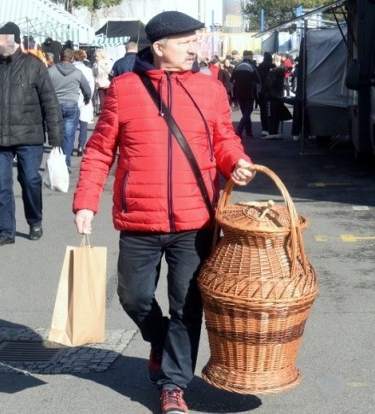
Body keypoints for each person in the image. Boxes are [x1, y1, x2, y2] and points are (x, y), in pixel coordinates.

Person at [72, 11, 255, 414]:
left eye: (195, 41)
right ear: (159, 48)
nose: (194, 48)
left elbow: (223, 139)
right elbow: (101, 150)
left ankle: (174, 385)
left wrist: (236, 161)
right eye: (186, 42)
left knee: (187, 306)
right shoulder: (124, 89)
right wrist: (86, 201)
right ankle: (159, 339)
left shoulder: (210, 90)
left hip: (196, 220)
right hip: (139, 218)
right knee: (133, 297)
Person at [0, 22, 63, 246]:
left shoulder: (34, 65)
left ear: (16, 40)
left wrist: (56, 138)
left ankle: (34, 221)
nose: (0, 45)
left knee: (30, 180)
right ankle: (5, 231)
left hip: (29, 136)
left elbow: (50, 101)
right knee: (1, 184)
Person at [48, 48, 92, 169]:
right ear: (72, 59)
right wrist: (87, 98)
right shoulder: (78, 73)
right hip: (71, 104)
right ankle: (66, 162)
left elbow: (44, 88)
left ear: (60, 57)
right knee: (69, 135)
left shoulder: (51, 71)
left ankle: (56, 159)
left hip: (54, 105)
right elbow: (87, 89)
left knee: (56, 133)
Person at [231, 50, 261, 138]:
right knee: (248, 111)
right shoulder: (252, 67)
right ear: (249, 56)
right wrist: (258, 94)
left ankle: (249, 131)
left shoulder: (237, 66)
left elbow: (232, 80)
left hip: (239, 92)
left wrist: (233, 94)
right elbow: (258, 81)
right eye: (251, 56)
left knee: (245, 112)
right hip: (249, 92)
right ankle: (239, 129)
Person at [73, 49, 95, 156]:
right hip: (84, 99)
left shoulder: (72, 69)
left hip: (72, 98)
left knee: (70, 125)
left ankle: (68, 146)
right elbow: (91, 86)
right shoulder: (88, 70)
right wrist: (89, 98)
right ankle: (81, 146)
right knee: (83, 125)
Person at [257, 52, 276, 137]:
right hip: (270, 93)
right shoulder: (273, 68)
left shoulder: (259, 68)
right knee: (271, 112)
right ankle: (271, 129)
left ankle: (264, 129)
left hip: (261, 92)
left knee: (263, 111)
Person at [92, 49, 113, 115]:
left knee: (109, 101)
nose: (96, 58)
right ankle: (104, 114)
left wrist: (110, 83)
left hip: (108, 84)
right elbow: (94, 74)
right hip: (100, 84)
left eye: (97, 56)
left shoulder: (108, 62)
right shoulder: (95, 64)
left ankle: (109, 113)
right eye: (95, 56)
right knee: (102, 102)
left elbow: (110, 73)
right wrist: (96, 81)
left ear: (102, 55)